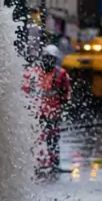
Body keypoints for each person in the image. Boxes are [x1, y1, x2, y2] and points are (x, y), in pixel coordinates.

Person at [24, 44, 71, 174]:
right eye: (47, 58)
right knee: (36, 140)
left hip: (51, 114)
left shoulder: (61, 74)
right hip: (37, 113)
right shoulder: (33, 72)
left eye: (51, 58)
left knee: (53, 140)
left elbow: (65, 94)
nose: (48, 61)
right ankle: (36, 163)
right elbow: (25, 92)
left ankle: (53, 164)